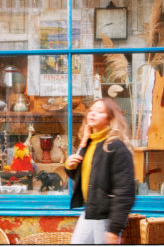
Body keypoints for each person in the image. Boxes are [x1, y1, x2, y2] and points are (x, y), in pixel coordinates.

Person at [65, 98, 135, 244]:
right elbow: (85, 178)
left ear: (109, 119)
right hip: (90, 211)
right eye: (91, 110)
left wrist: (114, 229)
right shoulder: (89, 143)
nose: (92, 114)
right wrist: (70, 166)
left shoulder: (115, 147)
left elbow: (124, 192)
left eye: (99, 111)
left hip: (106, 217)